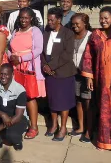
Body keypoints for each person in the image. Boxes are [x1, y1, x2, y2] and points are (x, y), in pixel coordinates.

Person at [81, 6, 111, 154]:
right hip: (102, 81)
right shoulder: (96, 34)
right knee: (104, 112)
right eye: (101, 18)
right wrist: (89, 76)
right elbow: (88, 56)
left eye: (106, 17)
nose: (103, 21)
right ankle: (105, 142)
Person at [7, 7, 45, 139]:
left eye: (26, 17)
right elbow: (9, 47)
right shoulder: (16, 31)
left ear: (31, 18)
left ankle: (34, 127)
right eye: (21, 17)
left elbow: (39, 49)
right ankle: (18, 123)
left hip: (28, 68)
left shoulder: (35, 31)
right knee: (16, 96)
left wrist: (21, 59)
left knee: (29, 97)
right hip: (15, 67)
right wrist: (11, 56)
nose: (23, 20)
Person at [40, 7, 77, 141]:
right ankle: (54, 124)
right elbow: (41, 52)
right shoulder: (46, 33)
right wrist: (44, 65)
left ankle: (63, 127)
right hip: (49, 72)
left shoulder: (68, 33)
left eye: (52, 20)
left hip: (63, 72)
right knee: (52, 100)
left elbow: (67, 54)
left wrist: (51, 66)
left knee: (63, 101)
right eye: (48, 19)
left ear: (59, 20)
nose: (49, 22)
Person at [69, 13, 93, 141]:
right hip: (75, 74)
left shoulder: (91, 37)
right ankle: (81, 127)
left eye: (77, 23)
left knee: (88, 102)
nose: (75, 26)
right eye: (73, 24)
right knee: (78, 100)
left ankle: (89, 130)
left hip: (87, 75)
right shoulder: (71, 36)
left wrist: (90, 74)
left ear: (85, 23)